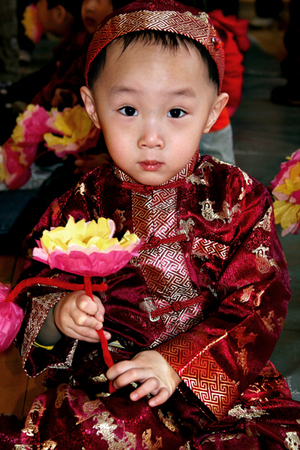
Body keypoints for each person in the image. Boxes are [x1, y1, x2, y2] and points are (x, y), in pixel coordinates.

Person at [1, 1, 300, 447]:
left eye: (176, 113)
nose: (151, 136)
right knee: (103, 431)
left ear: (213, 110)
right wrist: (59, 318)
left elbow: (259, 302)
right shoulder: (80, 204)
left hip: (221, 383)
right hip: (118, 381)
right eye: (128, 110)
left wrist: (176, 362)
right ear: (93, 107)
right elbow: (38, 289)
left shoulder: (239, 198)